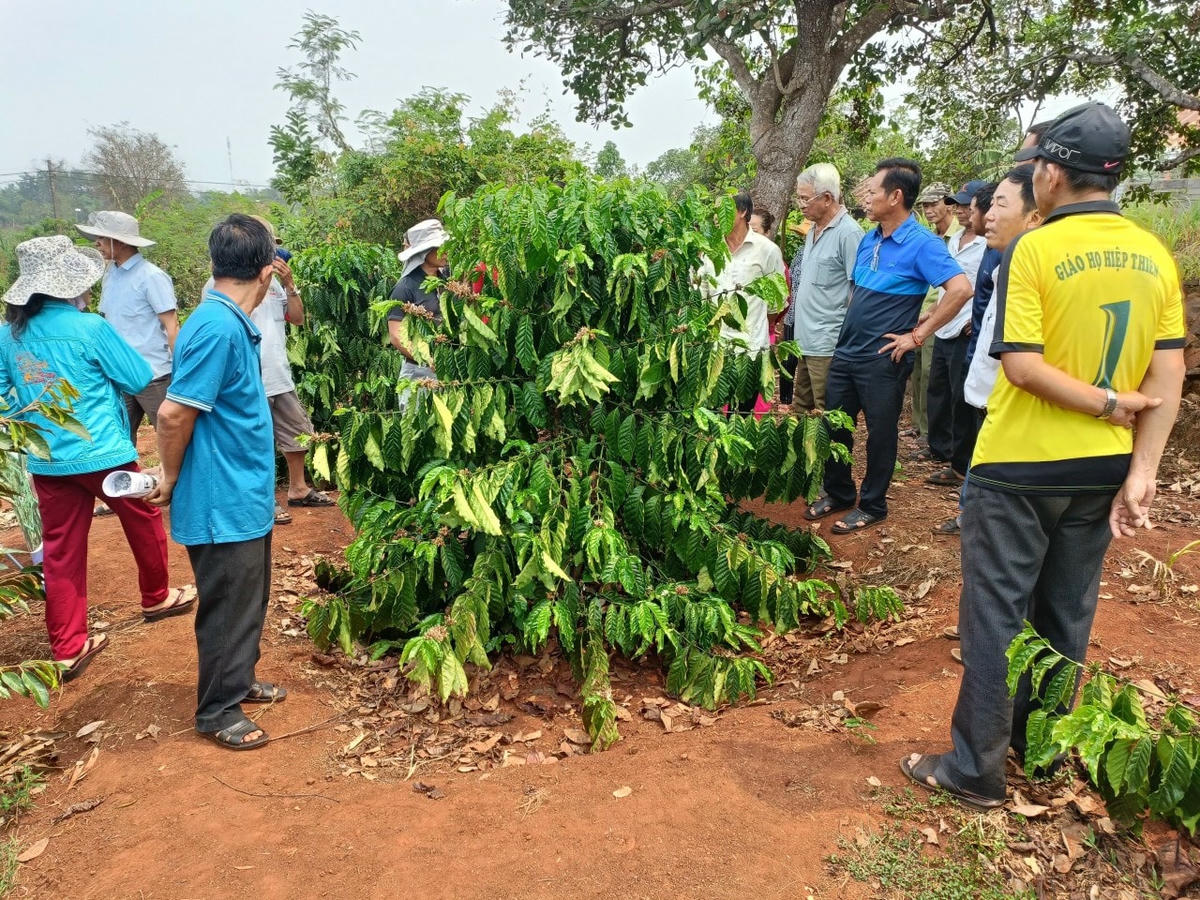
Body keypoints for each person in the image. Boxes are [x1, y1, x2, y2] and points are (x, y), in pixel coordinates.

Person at [902, 102, 1187, 808]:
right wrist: (1142, 468)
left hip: (1019, 466)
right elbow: (1169, 370)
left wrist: (1104, 403)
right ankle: (1047, 744)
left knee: (996, 615)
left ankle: (976, 771)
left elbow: (1022, 367)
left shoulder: (1036, 249)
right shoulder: (1153, 253)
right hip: (1102, 470)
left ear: (1053, 173)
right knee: (1066, 612)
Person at [0, 237, 188, 682]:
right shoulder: (90, 328)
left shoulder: (10, 334)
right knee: (142, 522)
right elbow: (138, 376)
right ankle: (156, 596)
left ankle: (68, 647)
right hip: (104, 452)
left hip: (47, 461)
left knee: (61, 549)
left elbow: (6, 394)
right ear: (70, 285)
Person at [148, 215, 282, 751]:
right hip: (220, 495)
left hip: (241, 490)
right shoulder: (217, 327)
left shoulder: (228, 319)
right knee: (227, 604)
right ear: (268, 269)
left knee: (248, 597)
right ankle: (218, 711)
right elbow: (173, 416)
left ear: (213, 263)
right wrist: (170, 474)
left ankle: (239, 680)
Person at [805, 158, 972, 533]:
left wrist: (917, 335)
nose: (865, 198)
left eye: (873, 191)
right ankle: (839, 492)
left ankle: (874, 504)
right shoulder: (869, 238)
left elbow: (960, 290)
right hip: (846, 351)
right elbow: (858, 293)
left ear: (896, 196)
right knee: (836, 426)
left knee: (880, 433)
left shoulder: (922, 244)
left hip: (882, 358)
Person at [204, 217, 333, 525]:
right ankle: (263, 499)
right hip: (249, 377)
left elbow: (298, 319)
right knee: (254, 441)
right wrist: (262, 280)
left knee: (299, 434)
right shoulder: (220, 284)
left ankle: (298, 489)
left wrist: (289, 284)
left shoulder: (275, 283)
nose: (274, 254)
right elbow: (238, 317)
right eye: (269, 247)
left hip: (278, 373)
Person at [77, 211, 179, 444]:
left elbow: (171, 326)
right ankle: (128, 480)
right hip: (120, 374)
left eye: (102, 238)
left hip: (154, 375)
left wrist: (180, 371)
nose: (97, 244)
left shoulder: (151, 276)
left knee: (171, 437)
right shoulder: (110, 274)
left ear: (120, 242)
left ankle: (180, 480)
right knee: (121, 439)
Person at [924, 181, 990, 486]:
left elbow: (984, 290)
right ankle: (940, 449)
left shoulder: (989, 245)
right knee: (938, 389)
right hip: (945, 325)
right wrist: (933, 315)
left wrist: (973, 321)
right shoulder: (953, 241)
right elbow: (946, 287)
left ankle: (961, 463)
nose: (962, 211)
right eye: (959, 205)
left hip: (966, 328)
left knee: (961, 397)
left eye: (967, 205)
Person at [790, 163, 864, 411]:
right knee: (801, 407)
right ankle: (803, 450)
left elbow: (858, 291)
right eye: (798, 197)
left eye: (805, 198)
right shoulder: (813, 229)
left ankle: (829, 451)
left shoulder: (849, 233)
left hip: (828, 343)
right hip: (805, 339)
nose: (800, 204)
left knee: (827, 409)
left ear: (827, 198)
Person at [699, 193, 786, 359]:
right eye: (716, 210)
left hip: (752, 350)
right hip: (715, 350)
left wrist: (753, 325)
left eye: (724, 209)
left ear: (743, 212)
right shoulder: (709, 251)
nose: (717, 216)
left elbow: (775, 304)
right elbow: (701, 296)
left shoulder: (767, 250)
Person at [908, 183, 960, 444]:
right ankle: (918, 425)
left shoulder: (959, 237)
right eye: (924, 206)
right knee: (917, 370)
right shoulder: (931, 237)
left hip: (942, 315)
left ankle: (931, 432)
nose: (928, 210)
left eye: (933, 204)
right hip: (920, 312)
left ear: (948, 203)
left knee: (931, 373)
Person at [389, 219, 449, 405]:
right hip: (419, 372)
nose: (445, 251)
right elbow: (396, 336)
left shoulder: (446, 279)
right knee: (418, 430)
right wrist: (427, 360)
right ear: (424, 252)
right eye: (438, 247)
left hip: (448, 366)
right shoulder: (405, 287)